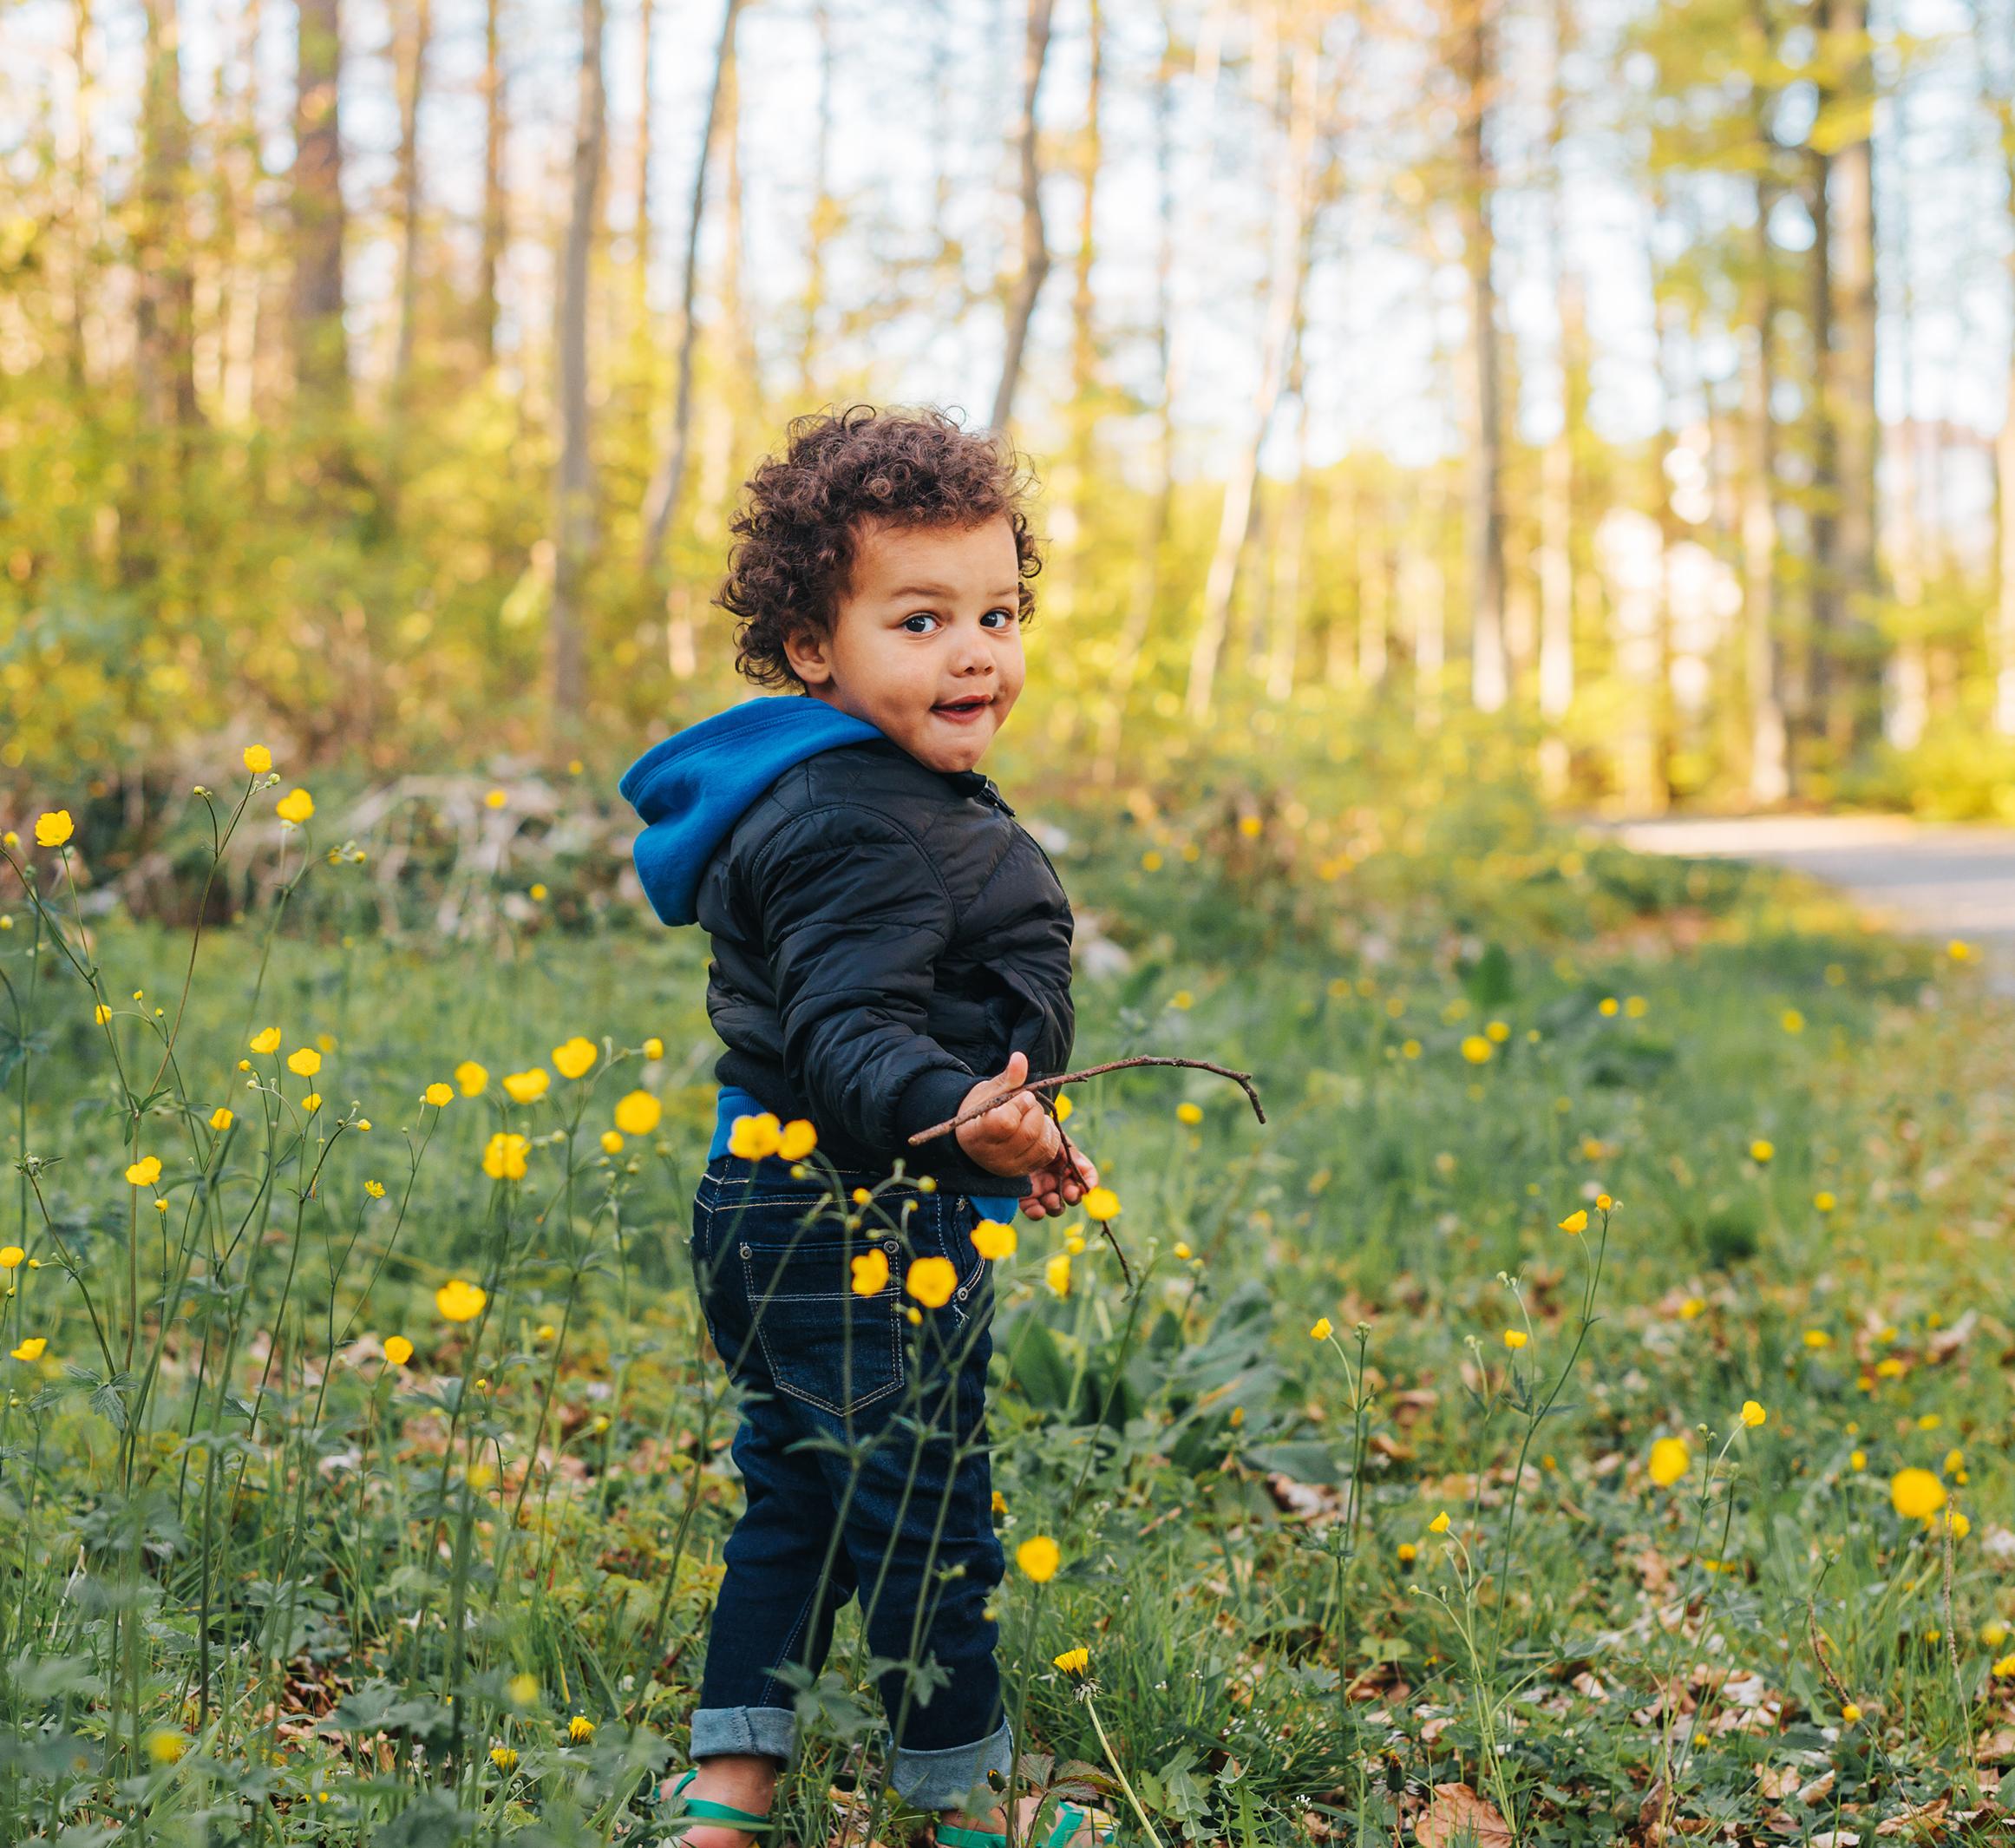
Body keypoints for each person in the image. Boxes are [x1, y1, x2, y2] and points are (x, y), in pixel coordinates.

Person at [620, 406, 1100, 1848]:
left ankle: (726, 1799)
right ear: (816, 646)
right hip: (855, 1224)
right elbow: (847, 1035)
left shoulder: (857, 788)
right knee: (925, 1517)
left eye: (998, 611)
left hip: (787, 1206)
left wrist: (1002, 1127)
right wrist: (955, 1112)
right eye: (921, 616)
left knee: (803, 1497)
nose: (976, 650)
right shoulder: (859, 817)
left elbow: (908, 1010)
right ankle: (964, 1807)